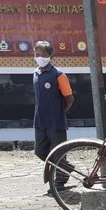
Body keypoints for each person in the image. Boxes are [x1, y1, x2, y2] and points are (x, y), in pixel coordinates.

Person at [33, 40, 74, 193]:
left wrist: (59, 112)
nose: (39, 57)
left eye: (42, 55)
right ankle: (66, 168)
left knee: (58, 153)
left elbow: (69, 98)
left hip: (55, 122)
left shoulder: (58, 74)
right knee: (40, 151)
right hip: (39, 121)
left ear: (50, 55)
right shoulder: (35, 74)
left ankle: (60, 183)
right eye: (37, 54)